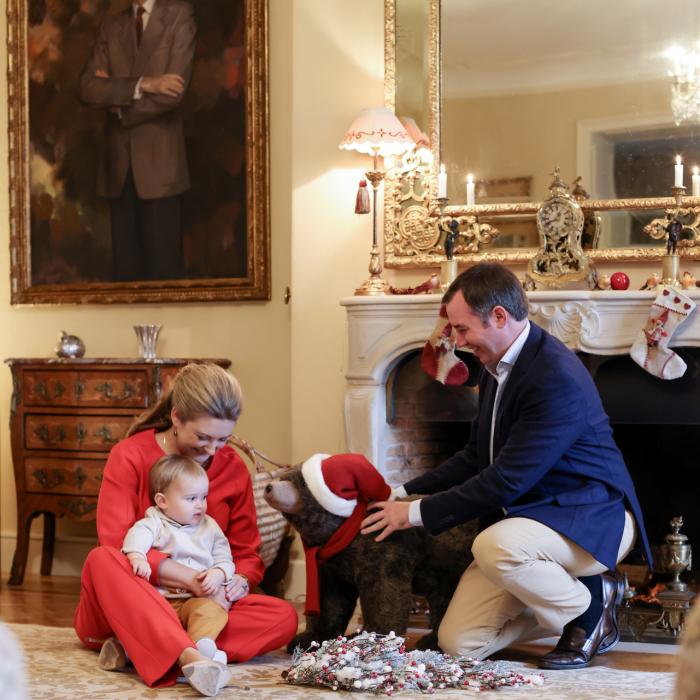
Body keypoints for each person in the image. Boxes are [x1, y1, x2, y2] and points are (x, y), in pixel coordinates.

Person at [361, 262, 652, 671]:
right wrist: (402, 492)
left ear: (499, 316)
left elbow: (506, 480)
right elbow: (476, 456)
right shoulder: (498, 366)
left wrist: (413, 514)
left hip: (590, 518)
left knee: (493, 545)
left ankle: (590, 609)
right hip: (530, 524)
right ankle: (575, 602)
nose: (458, 341)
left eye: (462, 330)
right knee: (460, 642)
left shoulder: (554, 375)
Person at [74, 363, 297, 696]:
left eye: (222, 439)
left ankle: (136, 648)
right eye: (203, 437)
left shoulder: (232, 467)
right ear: (176, 418)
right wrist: (188, 578)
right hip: (136, 599)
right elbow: (118, 545)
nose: (211, 449)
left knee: (283, 617)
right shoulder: (129, 456)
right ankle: (190, 654)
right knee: (102, 560)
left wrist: (237, 581)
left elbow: (246, 553)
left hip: (203, 603)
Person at [79, 0, 195, 281]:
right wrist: (144, 84)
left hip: (161, 172)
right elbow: (87, 88)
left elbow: (173, 94)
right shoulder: (111, 27)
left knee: (164, 278)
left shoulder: (179, 14)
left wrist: (118, 105)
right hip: (117, 171)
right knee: (125, 281)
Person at [122, 454, 236, 666]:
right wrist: (137, 555)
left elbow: (225, 558)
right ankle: (131, 649)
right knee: (148, 619)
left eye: (203, 497)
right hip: (162, 599)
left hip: (195, 599)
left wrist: (218, 573)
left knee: (212, 609)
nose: (200, 505)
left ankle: (201, 644)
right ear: (162, 501)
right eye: (191, 499)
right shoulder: (155, 521)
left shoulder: (210, 527)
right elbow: (138, 534)